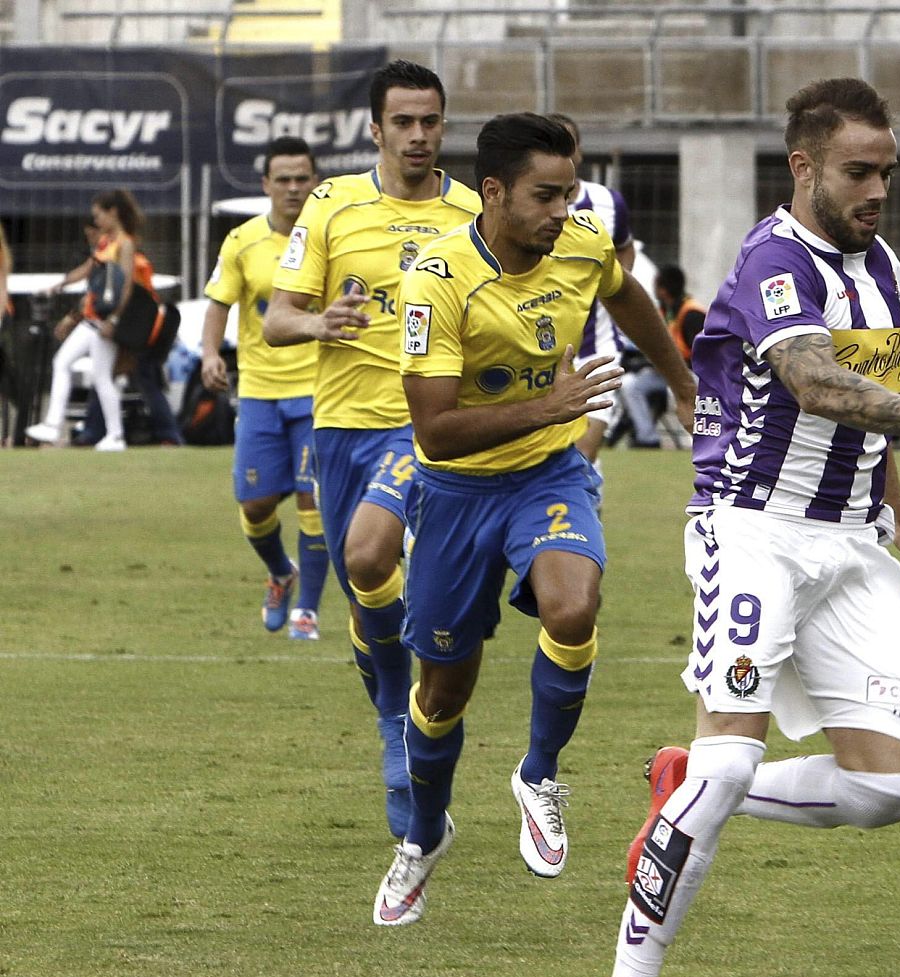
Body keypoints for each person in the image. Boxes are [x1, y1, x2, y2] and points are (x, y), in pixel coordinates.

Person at [587, 77, 900, 977]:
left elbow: (862, 405)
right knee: (729, 757)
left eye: (886, 171)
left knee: (888, 790)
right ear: (804, 167)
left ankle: (687, 781)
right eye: (857, 171)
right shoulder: (772, 260)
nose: (877, 188)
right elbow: (812, 380)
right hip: (752, 531)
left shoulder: (878, 264)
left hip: (851, 542)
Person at [370, 112, 696, 927]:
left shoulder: (582, 245)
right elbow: (434, 429)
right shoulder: (437, 279)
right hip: (453, 492)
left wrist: (684, 385)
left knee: (572, 603)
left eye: (570, 192)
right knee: (442, 691)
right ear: (493, 192)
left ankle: (539, 773)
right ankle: (422, 839)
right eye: (545, 196)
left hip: (549, 473)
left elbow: (631, 300)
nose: (562, 211)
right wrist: (550, 401)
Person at [264, 60, 481, 838]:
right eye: (403, 123)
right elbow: (276, 318)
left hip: (426, 427)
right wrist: (321, 323)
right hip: (341, 428)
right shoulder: (333, 204)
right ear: (375, 128)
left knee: (366, 556)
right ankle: (399, 721)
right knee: (369, 590)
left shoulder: (471, 212)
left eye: (430, 122)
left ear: (444, 126)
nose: (418, 136)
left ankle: (412, 720)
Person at [201, 136, 329, 639]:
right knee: (253, 505)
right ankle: (281, 572)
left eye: (302, 178)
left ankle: (309, 612)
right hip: (258, 392)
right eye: (284, 179)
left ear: (315, 182)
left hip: (319, 392)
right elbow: (218, 303)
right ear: (266, 185)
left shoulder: (330, 238)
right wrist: (211, 353)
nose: (294, 188)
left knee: (310, 501)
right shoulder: (242, 242)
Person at [26, 190, 148, 452]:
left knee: (102, 377)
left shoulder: (124, 244)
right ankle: (53, 423)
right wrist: (60, 284)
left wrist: (114, 320)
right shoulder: (105, 243)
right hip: (91, 320)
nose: (96, 221)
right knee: (62, 362)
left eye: (98, 215)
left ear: (112, 212)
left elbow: (126, 287)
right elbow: (87, 269)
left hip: (104, 322)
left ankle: (115, 436)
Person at [548, 112, 637, 465]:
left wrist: (612, 284)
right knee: (555, 453)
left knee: (584, 450)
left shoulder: (607, 203)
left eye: (567, 147)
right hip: (542, 352)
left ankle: (581, 509)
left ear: (580, 153)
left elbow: (625, 246)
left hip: (597, 345)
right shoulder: (524, 208)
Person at [618, 263, 701, 448]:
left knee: (679, 391)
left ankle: (696, 440)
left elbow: (704, 357)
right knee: (631, 384)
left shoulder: (692, 313)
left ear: (663, 290)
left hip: (693, 374)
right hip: (665, 373)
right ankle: (647, 438)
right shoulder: (663, 311)